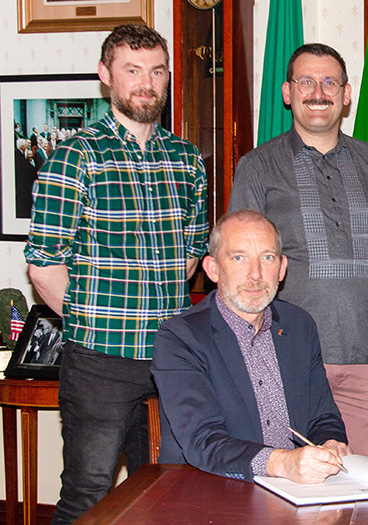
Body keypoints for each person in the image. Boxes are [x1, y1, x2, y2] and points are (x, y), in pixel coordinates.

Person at [24, 24, 208, 522]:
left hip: (173, 359)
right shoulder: (75, 157)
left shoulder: (188, 160)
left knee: (166, 490)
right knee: (89, 496)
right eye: (132, 70)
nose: (146, 83)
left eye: (156, 71)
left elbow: (191, 258)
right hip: (99, 362)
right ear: (106, 76)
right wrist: (92, 323)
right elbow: (43, 265)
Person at [229, 43, 368, 457]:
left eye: (330, 82)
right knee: (292, 488)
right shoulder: (257, 167)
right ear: (287, 92)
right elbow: (240, 265)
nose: (318, 91)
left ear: (347, 94)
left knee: (366, 482)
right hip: (286, 357)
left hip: (365, 356)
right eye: (306, 81)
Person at [152, 210, 351, 483]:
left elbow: (322, 415)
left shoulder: (300, 326)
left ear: (281, 268)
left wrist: (331, 443)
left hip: (296, 493)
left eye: (267, 258)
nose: (255, 274)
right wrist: (282, 462)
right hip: (209, 492)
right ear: (212, 269)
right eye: (238, 258)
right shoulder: (180, 337)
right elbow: (203, 441)